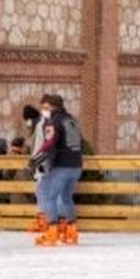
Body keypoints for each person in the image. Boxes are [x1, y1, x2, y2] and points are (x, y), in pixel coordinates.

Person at [32, 94, 83, 247]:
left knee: (48, 196)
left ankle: (51, 232)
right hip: (76, 165)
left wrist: (35, 160)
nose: (43, 110)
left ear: (52, 107)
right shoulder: (71, 120)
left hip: (60, 165)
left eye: (45, 107)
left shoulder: (53, 122)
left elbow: (49, 143)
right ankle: (70, 232)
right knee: (66, 198)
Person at [20, 105, 47, 233]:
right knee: (40, 193)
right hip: (40, 163)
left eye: (27, 119)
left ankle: (46, 222)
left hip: (42, 163)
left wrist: (34, 161)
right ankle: (42, 221)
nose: (27, 123)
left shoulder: (39, 125)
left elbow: (38, 145)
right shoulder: (37, 125)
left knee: (42, 193)